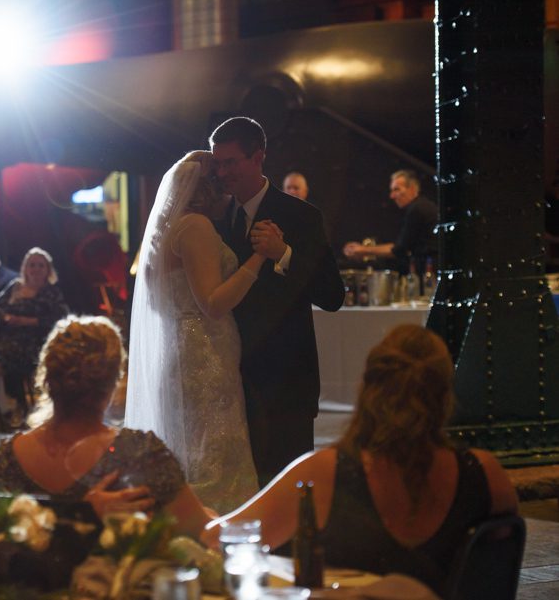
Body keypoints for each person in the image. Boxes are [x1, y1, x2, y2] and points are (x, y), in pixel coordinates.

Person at [203, 325, 518, 596]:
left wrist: (190, 506)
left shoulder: (326, 473)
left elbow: (219, 542)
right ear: (445, 395)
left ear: (367, 389)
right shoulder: (486, 474)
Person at [125, 150, 262, 513]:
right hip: (205, 354)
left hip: (178, 348)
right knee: (213, 456)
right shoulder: (195, 226)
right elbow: (213, 303)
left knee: (188, 450)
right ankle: (217, 528)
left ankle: (181, 525)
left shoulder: (164, 229)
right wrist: (258, 260)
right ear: (209, 189)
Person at [210, 117, 344, 485]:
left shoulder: (301, 216)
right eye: (217, 163)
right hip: (229, 382)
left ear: (258, 158)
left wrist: (284, 253)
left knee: (288, 490)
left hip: (286, 383)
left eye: (230, 162)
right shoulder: (212, 219)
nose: (221, 172)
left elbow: (333, 296)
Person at [0, 315, 212, 539]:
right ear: (112, 385)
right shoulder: (141, 453)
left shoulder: (9, 458)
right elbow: (206, 533)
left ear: (47, 377)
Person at [0, 247, 69, 424]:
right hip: (10, 342)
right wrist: (7, 318)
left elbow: (58, 317)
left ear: (48, 270)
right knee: (0, 360)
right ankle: (13, 406)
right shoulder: (15, 287)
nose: (36, 269)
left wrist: (28, 321)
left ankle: (26, 407)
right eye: (32, 265)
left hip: (38, 342)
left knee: (17, 358)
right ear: (25, 268)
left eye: (40, 265)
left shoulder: (51, 292)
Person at [343, 169, 438, 276]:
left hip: (430, 273)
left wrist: (362, 250)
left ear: (412, 189)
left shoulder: (416, 209)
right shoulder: (422, 206)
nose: (392, 196)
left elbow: (398, 250)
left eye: (396, 189)